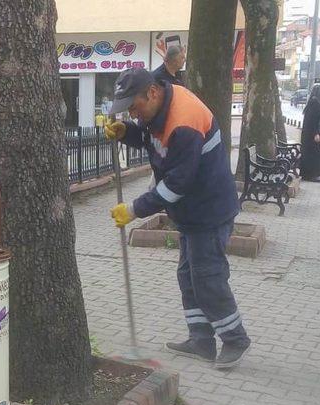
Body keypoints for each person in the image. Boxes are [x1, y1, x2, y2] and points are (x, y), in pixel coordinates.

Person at [105, 68, 250, 368]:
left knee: (208, 277)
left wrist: (133, 210)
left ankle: (235, 338)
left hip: (209, 211)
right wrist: (127, 133)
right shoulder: (155, 110)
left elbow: (176, 184)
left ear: (153, 93)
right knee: (188, 275)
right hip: (192, 212)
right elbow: (152, 140)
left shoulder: (183, 121)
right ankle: (201, 339)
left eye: (134, 106)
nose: (133, 113)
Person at [299, 84, 320, 181]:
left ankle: (310, 174)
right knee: (313, 154)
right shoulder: (315, 104)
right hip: (312, 135)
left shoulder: (312, 103)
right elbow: (313, 120)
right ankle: (311, 174)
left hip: (308, 135)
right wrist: (316, 133)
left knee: (311, 153)